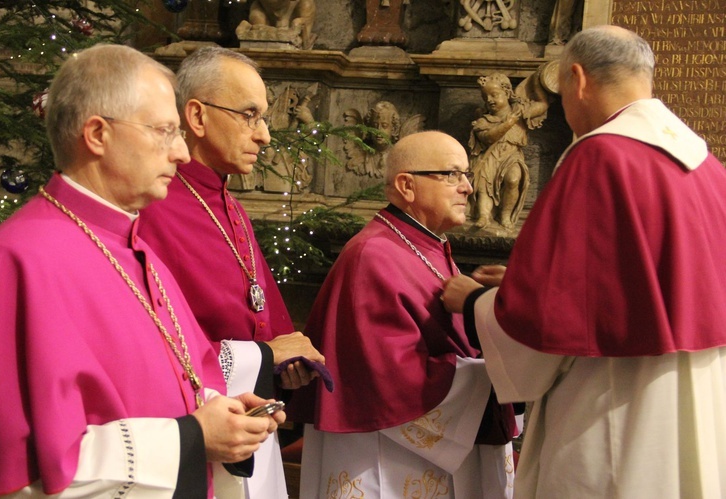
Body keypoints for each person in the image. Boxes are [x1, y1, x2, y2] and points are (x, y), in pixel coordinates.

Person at [0, 44, 285, 498]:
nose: (181, 153)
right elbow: (15, 467)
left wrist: (226, 415)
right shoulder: (15, 260)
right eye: (164, 131)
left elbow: (188, 378)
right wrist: (194, 438)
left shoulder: (137, 247)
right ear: (98, 134)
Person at [442, 25, 726, 498]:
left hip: (619, 402)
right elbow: (644, 280)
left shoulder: (600, 155)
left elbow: (543, 324)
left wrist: (478, 302)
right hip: (702, 392)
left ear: (576, 78)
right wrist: (527, 280)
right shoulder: (704, 164)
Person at [138, 46, 324, 499]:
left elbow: (260, 318)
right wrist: (264, 357)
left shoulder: (232, 207)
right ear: (197, 118)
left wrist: (284, 365)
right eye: (250, 115)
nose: (264, 136)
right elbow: (155, 344)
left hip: (253, 422)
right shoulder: (153, 207)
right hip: (194, 436)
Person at [290, 130, 516, 498]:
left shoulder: (427, 246)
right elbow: (389, 378)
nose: (468, 188)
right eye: (452, 174)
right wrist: (496, 377)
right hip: (388, 462)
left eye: (467, 175)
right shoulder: (373, 255)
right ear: (407, 185)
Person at [469, 72, 549, 230]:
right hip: (490, 157)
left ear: (507, 93)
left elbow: (542, 105)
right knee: (484, 187)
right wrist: (507, 123)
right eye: (486, 97)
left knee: (513, 179)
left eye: (494, 95)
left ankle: (506, 215)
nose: (490, 100)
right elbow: (489, 138)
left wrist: (539, 82)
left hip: (511, 155)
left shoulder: (520, 111)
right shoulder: (483, 121)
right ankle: (484, 215)